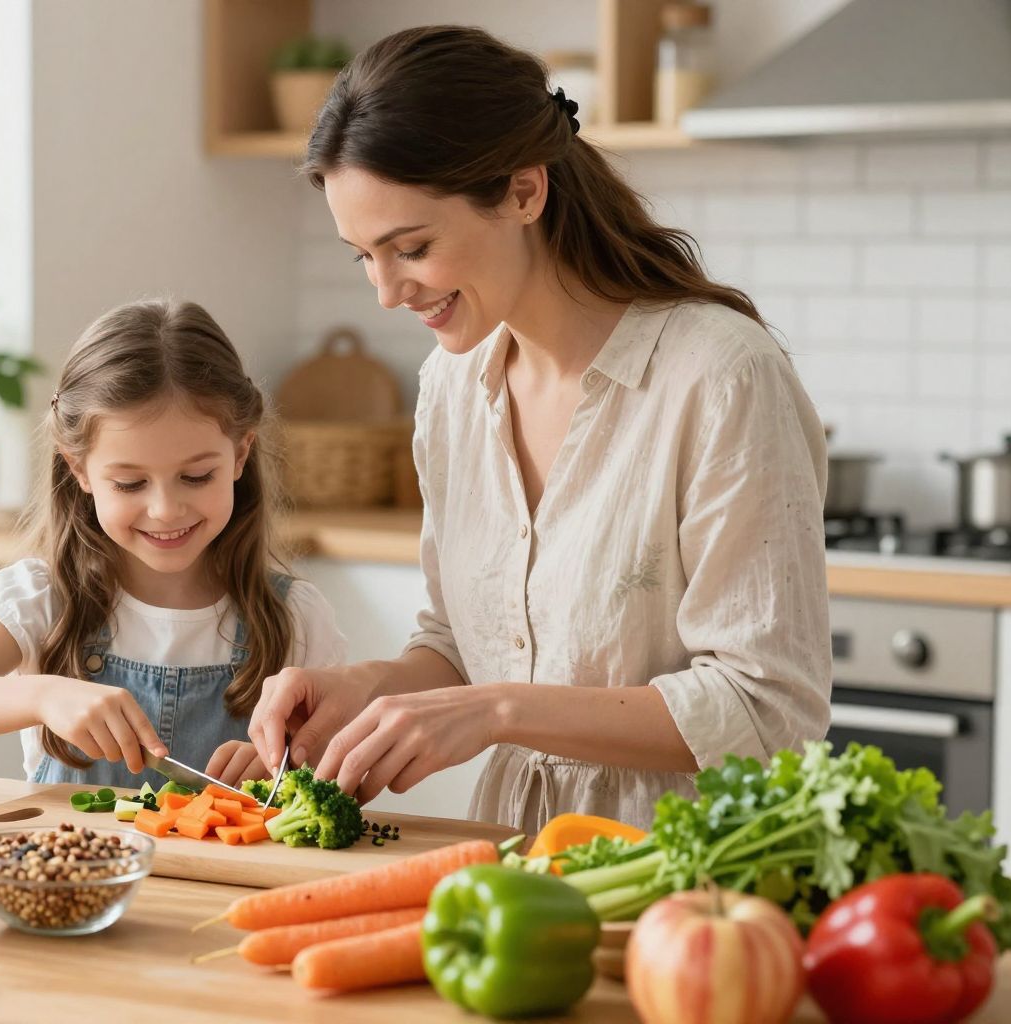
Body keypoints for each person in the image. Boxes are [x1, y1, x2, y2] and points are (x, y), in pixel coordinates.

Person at [247, 26, 831, 832]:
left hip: (689, 877)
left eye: (410, 247)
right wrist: (367, 686)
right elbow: (464, 640)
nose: (387, 292)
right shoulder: (453, 385)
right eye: (364, 257)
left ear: (524, 192)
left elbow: (766, 706)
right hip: (517, 869)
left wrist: (497, 712)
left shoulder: (719, 375)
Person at [0, 299, 348, 789]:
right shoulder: (44, 600)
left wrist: (287, 766)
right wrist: (42, 697)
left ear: (240, 453)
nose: (166, 509)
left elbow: (339, 761)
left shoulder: (294, 615)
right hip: (73, 867)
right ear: (79, 469)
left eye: (196, 476)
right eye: (130, 484)